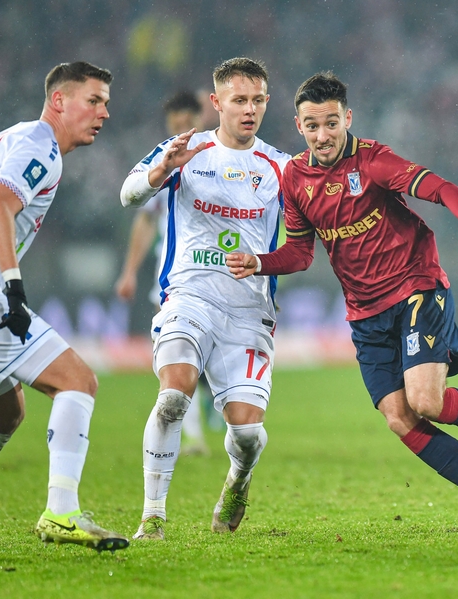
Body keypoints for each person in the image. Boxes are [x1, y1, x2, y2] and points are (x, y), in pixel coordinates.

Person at [226, 72, 458, 535]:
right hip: (365, 314)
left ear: (348, 119)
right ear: (298, 125)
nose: (323, 135)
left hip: (415, 288)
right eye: (313, 125)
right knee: (400, 418)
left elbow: (439, 187)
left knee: (426, 401)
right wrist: (257, 262)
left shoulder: (373, 162)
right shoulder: (294, 179)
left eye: (332, 124)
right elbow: (299, 254)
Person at [120, 57, 290, 540]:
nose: (249, 109)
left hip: (249, 311)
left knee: (247, 436)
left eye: (258, 100)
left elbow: (307, 234)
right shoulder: (185, 149)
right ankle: (153, 515)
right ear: (216, 103)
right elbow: (128, 195)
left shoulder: (281, 166)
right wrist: (159, 172)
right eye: (239, 100)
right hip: (188, 295)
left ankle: (238, 478)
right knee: (173, 396)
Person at [0, 62, 128, 550]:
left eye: (106, 102)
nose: (104, 112)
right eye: (93, 100)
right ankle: (61, 513)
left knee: (3, 415)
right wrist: (14, 289)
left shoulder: (15, 137)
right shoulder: (41, 148)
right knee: (77, 380)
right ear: (59, 100)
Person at [114, 90, 211, 457]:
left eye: (187, 125)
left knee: (209, 355)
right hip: (173, 271)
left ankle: (218, 409)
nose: (181, 132)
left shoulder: (225, 155)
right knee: (178, 354)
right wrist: (129, 272)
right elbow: (145, 219)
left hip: (220, 269)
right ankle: (194, 437)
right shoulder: (166, 162)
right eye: (175, 127)